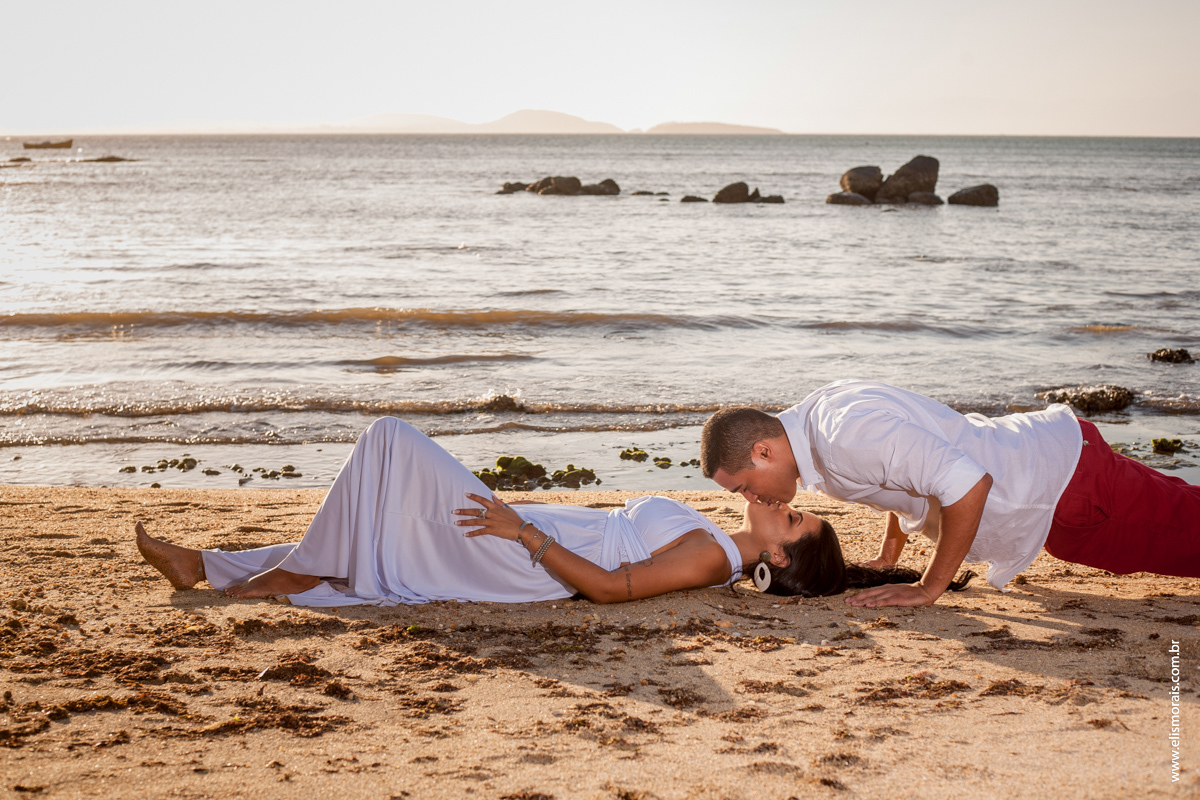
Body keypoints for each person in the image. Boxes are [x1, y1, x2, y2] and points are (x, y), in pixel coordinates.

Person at [134, 416, 922, 606]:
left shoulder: (716, 559)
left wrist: (526, 533)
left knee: (390, 442)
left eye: (788, 521)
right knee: (382, 514)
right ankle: (205, 566)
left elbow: (612, 588)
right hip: (526, 535)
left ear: (776, 559)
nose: (772, 504)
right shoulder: (720, 539)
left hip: (522, 555)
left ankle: (277, 578)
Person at [701, 380, 1200, 608]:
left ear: (763, 452)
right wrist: (889, 553)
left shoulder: (844, 434)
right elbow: (908, 477)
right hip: (1057, 500)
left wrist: (928, 587)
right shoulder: (816, 433)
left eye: (743, 486)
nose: (751, 500)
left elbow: (967, 482)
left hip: (1068, 488)